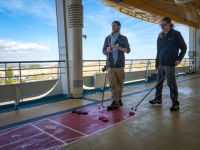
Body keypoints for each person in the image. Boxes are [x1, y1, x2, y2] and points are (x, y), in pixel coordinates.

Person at [149, 17, 187, 111]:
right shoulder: (160, 36)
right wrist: (157, 64)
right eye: (160, 25)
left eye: (164, 25)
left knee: (171, 83)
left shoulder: (176, 34)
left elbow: (184, 48)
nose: (162, 27)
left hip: (170, 63)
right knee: (159, 82)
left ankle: (175, 103)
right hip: (161, 63)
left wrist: (179, 59)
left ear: (169, 24)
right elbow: (158, 51)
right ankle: (158, 98)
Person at [102, 21, 130, 110]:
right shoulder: (107, 38)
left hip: (120, 66)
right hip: (110, 66)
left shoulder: (123, 38)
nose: (113, 27)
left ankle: (119, 99)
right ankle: (115, 102)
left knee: (119, 84)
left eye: (115, 25)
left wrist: (116, 47)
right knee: (112, 84)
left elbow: (127, 50)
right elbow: (103, 51)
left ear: (119, 27)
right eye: (112, 26)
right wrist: (107, 51)